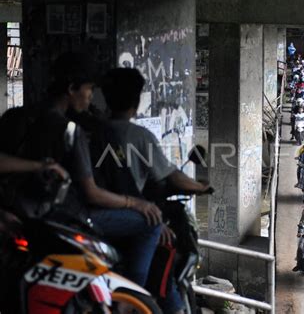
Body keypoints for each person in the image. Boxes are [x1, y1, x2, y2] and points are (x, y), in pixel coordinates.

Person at [0, 52, 163, 287]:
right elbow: (92, 193)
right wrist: (137, 203)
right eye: (88, 89)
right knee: (152, 224)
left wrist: (37, 166)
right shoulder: (70, 130)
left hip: (13, 213)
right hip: (59, 219)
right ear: (72, 88)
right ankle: (134, 292)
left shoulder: (15, 116)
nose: (90, 97)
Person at [93, 68, 211, 314]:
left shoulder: (95, 131)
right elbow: (170, 175)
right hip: (118, 214)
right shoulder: (138, 135)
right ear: (136, 101)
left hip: (98, 214)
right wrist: (201, 187)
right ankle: (133, 297)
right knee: (161, 246)